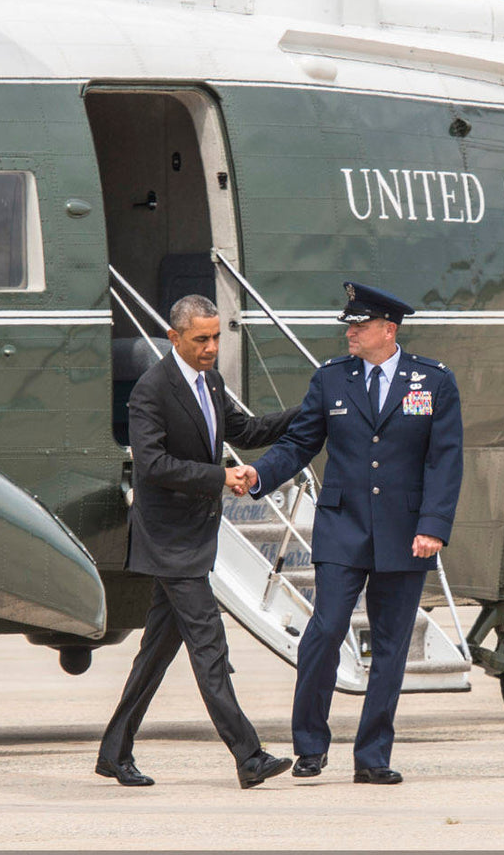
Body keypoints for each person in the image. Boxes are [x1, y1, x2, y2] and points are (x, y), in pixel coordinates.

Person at [229, 281, 462, 785]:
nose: (350, 333)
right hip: (342, 527)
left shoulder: (433, 382)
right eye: (349, 325)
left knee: (391, 646)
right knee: (325, 630)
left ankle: (373, 757)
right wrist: (259, 474)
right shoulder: (332, 379)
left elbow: (445, 461)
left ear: (388, 330)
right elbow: (299, 443)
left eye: (359, 325)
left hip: (405, 532)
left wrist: (433, 527)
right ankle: (310, 745)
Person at [96, 294, 298, 790]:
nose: (211, 348)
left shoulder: (211, 381)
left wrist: (309, 412)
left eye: (216, 337)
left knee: (154, 655)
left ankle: (114, 752)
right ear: (174, 338)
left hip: (193, 537)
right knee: (209, 646)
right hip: (169, 542)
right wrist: (219, 477)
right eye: (200, 339)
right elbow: (153, 465)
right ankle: (248, 755)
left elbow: (246, 430)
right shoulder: (151, 391)